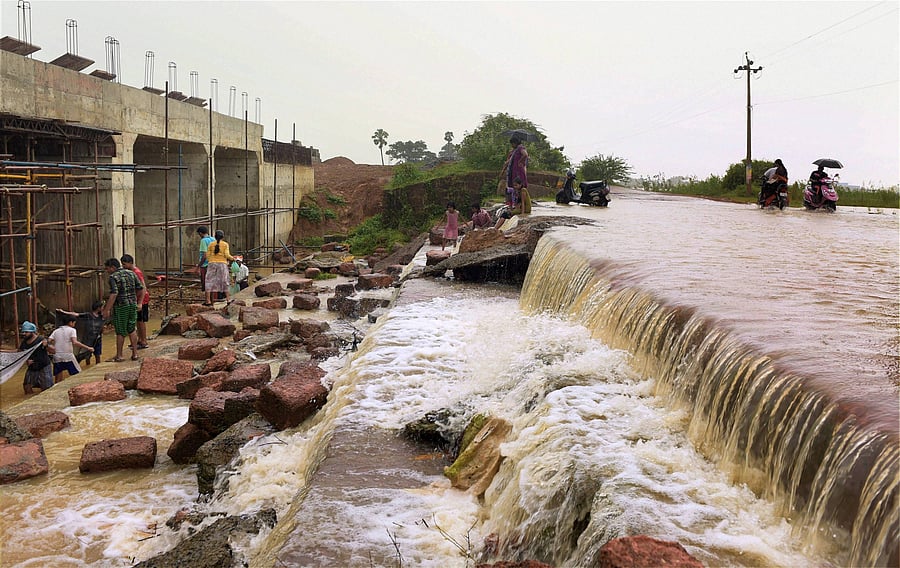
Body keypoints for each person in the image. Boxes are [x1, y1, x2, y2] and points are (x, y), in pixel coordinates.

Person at [101, 257, 144, 362]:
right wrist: (136, 300)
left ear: (112, 267)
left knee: (120, 330)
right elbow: (140, 288)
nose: (107, 271)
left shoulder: (113, 277)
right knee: (132, 328)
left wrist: (107, 309)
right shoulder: (131, 273)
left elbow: (114, 293)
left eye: (107, 269)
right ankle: (135, 354)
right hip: (132, 305)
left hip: (121, 306)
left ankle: (119, 355)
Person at [48, 314, 94, 382]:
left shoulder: (56, 331)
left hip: (57, 356)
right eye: (74, 323)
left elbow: (48, 341)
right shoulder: (72, 330)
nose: (74, 325)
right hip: (68, 356)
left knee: (58, 378)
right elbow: (75, 342)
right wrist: (88, 348)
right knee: (78, 374)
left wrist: (51, 348)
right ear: (70, 322)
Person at [58, 301, 105, 366]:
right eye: (102, 307)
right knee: (87, 355)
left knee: (98, 355)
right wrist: (64, 312)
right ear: (98, 308)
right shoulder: (88, 315)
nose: (103, 308)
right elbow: (76, 314)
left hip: (97, 339)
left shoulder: (101, 316)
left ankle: (98, 368)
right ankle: (87, 367)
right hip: (88, 339)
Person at [121, 254, 150, 349]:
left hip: (142, 299)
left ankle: (143, 341)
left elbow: (143, 286)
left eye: (124, 264)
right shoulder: (132, 272)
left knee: (141, 321)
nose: (123, 266)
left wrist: (140, 302)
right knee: (138, 320)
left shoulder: (136, 272)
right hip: (137, 298)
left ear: (130, 263)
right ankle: (139, 340)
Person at [19, 321, 52, 395]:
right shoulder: (25, 342)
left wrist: (46, 345)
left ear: (32, 332)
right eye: (23, 332)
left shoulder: (41, 339)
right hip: (32, 366)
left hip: (43, 366)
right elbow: (20, 352)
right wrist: (3, 351)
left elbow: (53, 351)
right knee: (27, 386)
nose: (24, 334)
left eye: (26, 332)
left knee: (46, 388)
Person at [203, 229, 234, 305]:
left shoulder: (211, 244)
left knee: (209, 281)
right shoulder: (225, 244)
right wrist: (233, 259)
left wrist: (211, 260)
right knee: (224, 281)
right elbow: (227, 255)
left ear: (215, 236)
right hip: (222, 264)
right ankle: (228, 299)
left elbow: (207, 255)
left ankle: (208, 301)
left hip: (211, 263)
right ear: (223, 236)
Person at [196, 226, 215, 293]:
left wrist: (198, 266)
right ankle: (214, 298)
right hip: (213, 263)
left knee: (206, 283)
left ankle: (208, 300)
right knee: (212, 282)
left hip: (206, 265)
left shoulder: (203, 241)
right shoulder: (213, 239)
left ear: (201, 233)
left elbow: (204, 255)